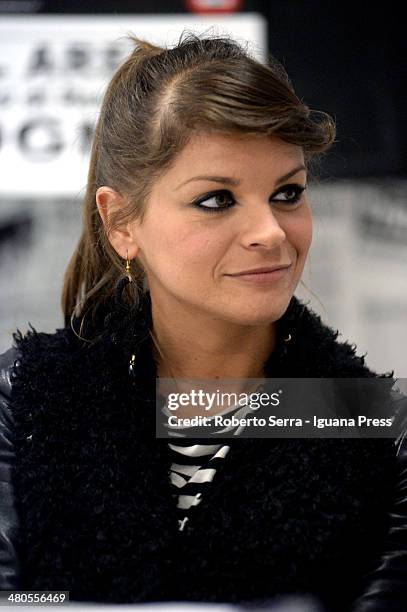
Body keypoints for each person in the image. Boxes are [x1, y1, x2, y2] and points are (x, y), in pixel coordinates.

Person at [0, 30, 407, 612]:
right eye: (216, 199)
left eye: (288, 193)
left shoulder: (379, 430)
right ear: (121, 222)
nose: (270, 231)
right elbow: (20, 599)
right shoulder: (22, 400)